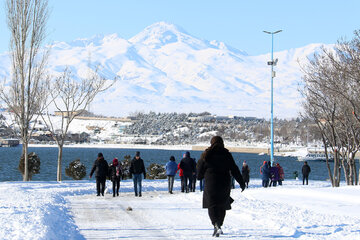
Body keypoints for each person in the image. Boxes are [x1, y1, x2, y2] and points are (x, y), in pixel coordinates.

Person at [197, 136, 245, 237]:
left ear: (211, 143)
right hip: (224, 183)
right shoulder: (226, 154)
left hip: (211, 184)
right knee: (222, 204)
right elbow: (234, 169)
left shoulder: (206, 154)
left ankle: (216, 224)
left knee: (212, 205)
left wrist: (200, 176)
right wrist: (241, 182)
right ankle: (219, 224)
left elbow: (200, 170)